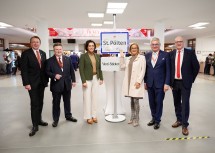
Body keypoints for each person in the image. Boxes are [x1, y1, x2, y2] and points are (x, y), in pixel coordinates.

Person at [170, 36, 200, 136]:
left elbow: (196, 67)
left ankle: (184, 125)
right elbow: (170, 68)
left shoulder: (190, 53)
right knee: (176, 102)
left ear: (183, 43)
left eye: (180, 41)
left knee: (185, 103)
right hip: (174, 82)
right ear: (175, 43)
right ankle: (179, 120)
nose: (178, 43)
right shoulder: (172, 54)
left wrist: (191, 80)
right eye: (177, 42)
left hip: (185, 83)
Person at [21, 36, 49, 137]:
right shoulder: (26, 54)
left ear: (40, 43)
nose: (36, 43)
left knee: (40, 102)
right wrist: (26, 83)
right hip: (32, 83)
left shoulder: (43, 53)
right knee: (34, 103)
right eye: (33, 42)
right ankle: (34, 125)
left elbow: (44, 68)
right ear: (30, 43)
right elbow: (24, 70)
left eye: (37, 42)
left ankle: (39, 120)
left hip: (42, 82)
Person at [46, 43, 77, 127]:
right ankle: (55, 120)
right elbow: (47, 72)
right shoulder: (49, 61)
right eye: (56, 49)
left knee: (67, 102)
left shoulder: (67, 59)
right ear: (54, 50)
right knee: (56, 103)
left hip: (67, 84)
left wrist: (74, 81)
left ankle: (68, 116)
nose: (58, 51)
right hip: (56, 85)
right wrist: (54, 76)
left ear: (62, 50)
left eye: (60, 49)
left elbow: (72, 70)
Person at [144, 37, 170, 130]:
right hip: (150, 83)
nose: (154, 46)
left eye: (156, 44)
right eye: (153, 44)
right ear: (151, 45)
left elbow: (168, 71)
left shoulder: (166, 55)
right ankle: (153, 118)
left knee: (159, 102)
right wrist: (145, 82)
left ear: (159, 45)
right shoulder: (147, 55)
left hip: (161, 84)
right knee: (151, 102)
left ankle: (158, 120)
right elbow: (145, 70)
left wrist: (167, 83)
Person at [120, 43, 146, 127]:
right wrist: (121, 57)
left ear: (138, 49)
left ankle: (137, 119)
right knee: (131, 100)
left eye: (135, 48)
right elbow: (122, 66)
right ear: (130, 50)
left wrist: (139, 81)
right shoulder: (129, 59)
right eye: (132, 48)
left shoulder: (142, 58)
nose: (134, 49)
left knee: (136, 101)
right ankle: (132, 117)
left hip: (136, 82)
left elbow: (143, 70)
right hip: (129, 82)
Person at [79, 40, 103, 124]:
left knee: (94, 98)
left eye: (93, 45)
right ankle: (88, 117)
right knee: (87, 98)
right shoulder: (83, 56)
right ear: (87, 47)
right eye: (89, 46)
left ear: (94, 47)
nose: (91, 47)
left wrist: (101, 78)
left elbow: (100, 68)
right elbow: (81, 69)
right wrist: (83, 81)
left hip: (96, 78)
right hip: (87, 79)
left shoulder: (97, 56)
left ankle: (94, 115)